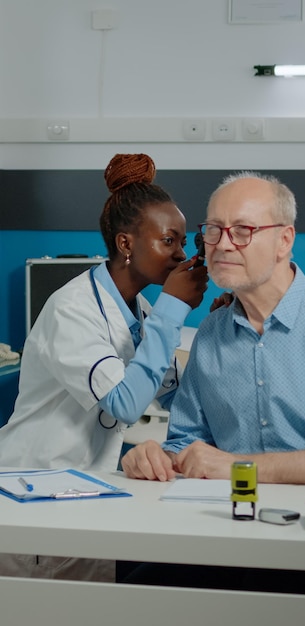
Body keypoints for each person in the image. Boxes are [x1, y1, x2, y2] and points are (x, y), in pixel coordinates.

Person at [121, 171, 305, 595]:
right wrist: (154, 458)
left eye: (244, 230)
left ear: (285, 240)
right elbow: (188, 441)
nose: (223, 244)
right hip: (230, 533)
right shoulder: (211, 334)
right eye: (213, 230)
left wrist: (239, 468)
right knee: (128, 597)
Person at [0, 152, 208, 582]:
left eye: (183, 242)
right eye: (168, 241)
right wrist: (173, 311)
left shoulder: (143, 310)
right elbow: (125, 404)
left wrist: (222, 327)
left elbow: (175, 392)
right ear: (126, 243)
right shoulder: (72, 309)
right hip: (33, 489)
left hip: (86, 489)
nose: (180, 255)